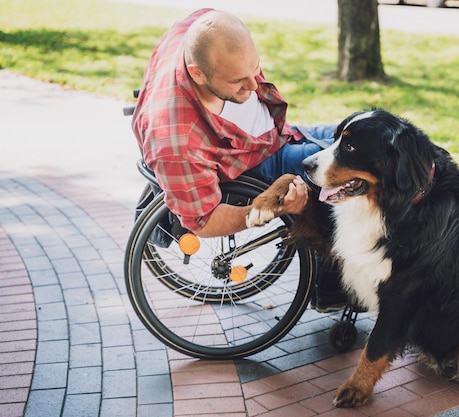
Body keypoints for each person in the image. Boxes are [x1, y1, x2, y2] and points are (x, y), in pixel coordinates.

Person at [131, 8, 345, 312]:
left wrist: (242, 79)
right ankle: (333, 289)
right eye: (237, 81)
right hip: (255, 164)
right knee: (351, 172)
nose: (254, 86)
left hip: (275, 136)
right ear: (197, 73)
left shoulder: (199, 27)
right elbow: (203, 221)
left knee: (356, 132)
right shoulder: (178, 143)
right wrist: (270, 210)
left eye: (254, 69)